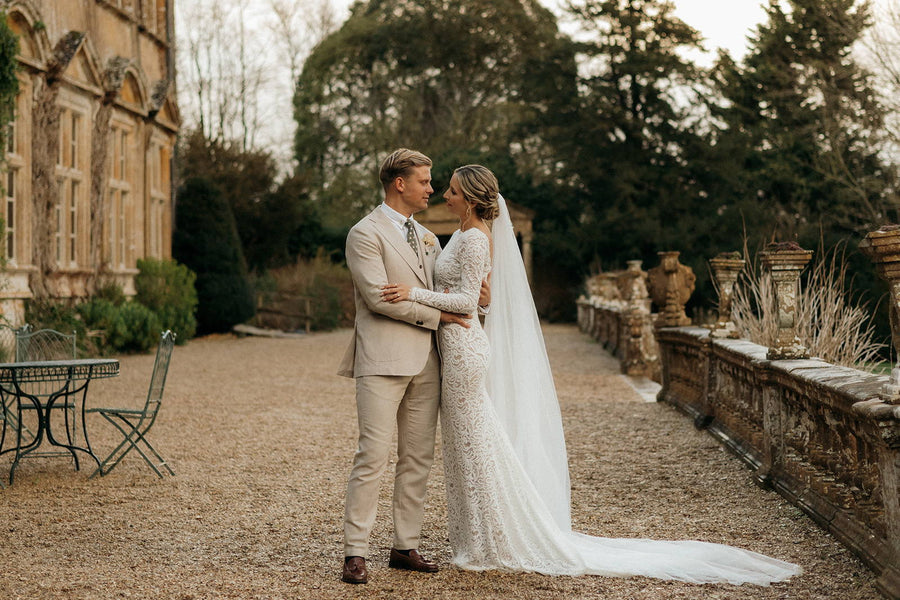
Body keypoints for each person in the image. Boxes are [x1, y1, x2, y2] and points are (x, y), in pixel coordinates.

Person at [381, 164, 802, 585]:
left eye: (452, 191)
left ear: (470, 199)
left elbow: (468, 300)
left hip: (465, 354)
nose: (444, 196)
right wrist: (471, 302)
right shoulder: (459, 235)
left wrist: (413, 293)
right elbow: (482, 302)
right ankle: (478, 534)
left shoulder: (475, 239)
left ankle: (499, 535)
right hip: (453, 348)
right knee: (465, 444)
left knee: (476, 441)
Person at [338, 148, 484, 585]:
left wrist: (479, 294)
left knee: (418, 457)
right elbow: (378, 297)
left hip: (431, 361)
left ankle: (405, 545)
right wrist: (440, 316)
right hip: (382, 360)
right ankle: (355, 552)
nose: (432, 189)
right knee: (373, 455)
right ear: (399, 183)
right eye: (424, 180)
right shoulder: (364, 234)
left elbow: (444, 289)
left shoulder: (427, 237)